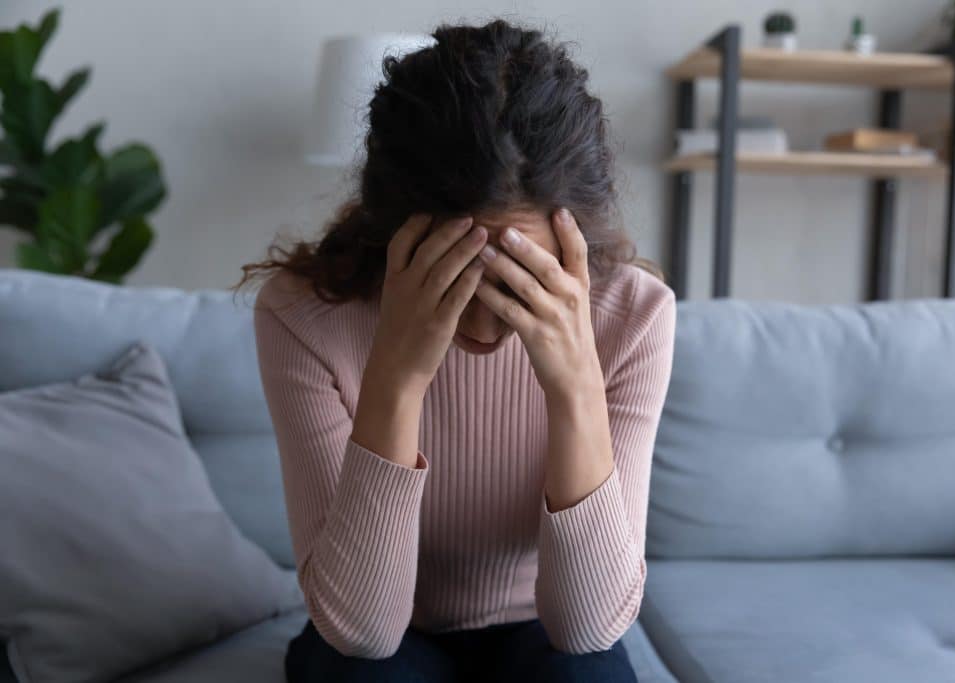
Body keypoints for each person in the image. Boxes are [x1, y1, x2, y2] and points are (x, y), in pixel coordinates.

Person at [231, 16, 676, 683]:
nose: (493, 324)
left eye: (522, 279)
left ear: (575, 243)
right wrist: (399, 374)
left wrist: (575, 384)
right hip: (382, 638)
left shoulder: (633, 315)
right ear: (394, 233)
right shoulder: (303, 316)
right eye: (459, 273)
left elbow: (586, 628)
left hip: (543, 630)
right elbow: (363, 630)